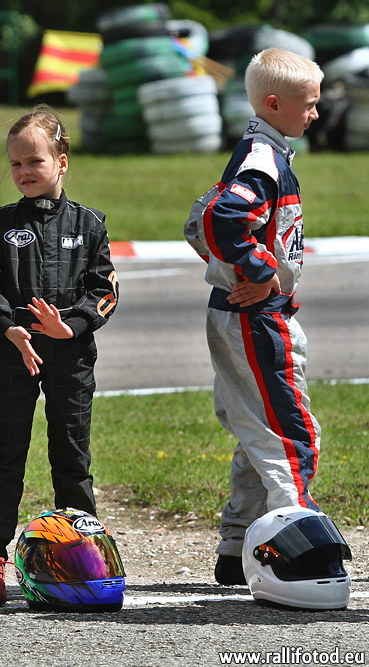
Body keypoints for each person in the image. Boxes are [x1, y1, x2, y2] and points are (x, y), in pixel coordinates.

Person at [182, 48, 324, 586]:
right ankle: (297, 554)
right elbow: (221, 218)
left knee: (255, 431)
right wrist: (260, 272)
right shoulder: (263, 159)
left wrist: (245, 268)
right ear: (274, 104)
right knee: (291, 437)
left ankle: (237, 546)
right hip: (256, 319)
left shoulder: (262, 153)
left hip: (250, 314)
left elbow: (198, 220)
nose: (315, 113)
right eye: (308, 104)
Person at [0, 105, 119, 608]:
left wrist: (70, 326)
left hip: (71, 357)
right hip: (13, 353)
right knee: (4, 457)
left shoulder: (90, 224)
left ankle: (82, 558)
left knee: (72, 458)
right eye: (16, 164)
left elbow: (105, 290)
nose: (24, 171)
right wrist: (9, 328)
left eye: (35, 160)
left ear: (61, 161)